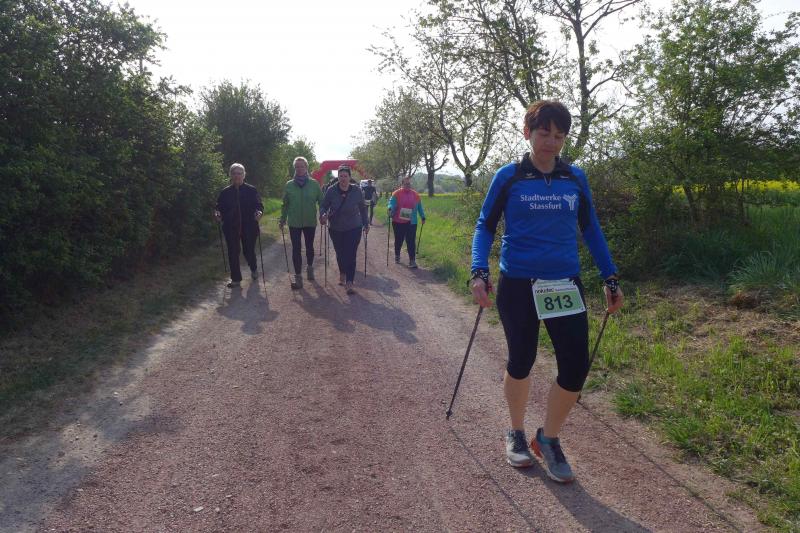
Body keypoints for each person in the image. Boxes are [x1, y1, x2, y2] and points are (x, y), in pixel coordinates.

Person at [469, 100, 624, 483]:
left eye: (559, 135)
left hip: (564, 282)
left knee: (575, 366)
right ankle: (516, 432)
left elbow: (591, 229)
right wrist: (479, 271)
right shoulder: (509, 177)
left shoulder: (575, 178)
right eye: (544, 133)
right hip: (519, 283)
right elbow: (485, 225)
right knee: (521, 360)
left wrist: (610, 278)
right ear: (527, 133)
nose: (551, 142)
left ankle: (548, 439)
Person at [320, 165, 369, 294]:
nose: (343, 178)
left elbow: (363, 208)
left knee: (351, 254)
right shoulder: (331, 190)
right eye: (340, 176)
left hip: (354, 227)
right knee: (340, 253)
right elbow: (324, 205)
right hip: (336, 227)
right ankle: (342, 271)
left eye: (345, 176)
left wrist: (366, 223)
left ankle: (350, 281)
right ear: (338, 177)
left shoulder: (357, 191)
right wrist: (323, 214)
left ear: (349, 177)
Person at [215, 163, 264, 288]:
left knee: (248, 251)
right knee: (233, 251)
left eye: (239, 173)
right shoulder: (225, 192)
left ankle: (253, 268)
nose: (237, 176)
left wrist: (259, 212)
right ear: (230, 175)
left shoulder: (251, 190)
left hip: (249, 227)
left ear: (244, 175)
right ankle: (236, 279)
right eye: (234, 173)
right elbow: (219, 207)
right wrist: (218, 213)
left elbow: (259, 205)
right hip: (231, 227)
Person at [280, 156, 322, 290]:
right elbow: (285, 204)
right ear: (294, 168)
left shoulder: (314, 184)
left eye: (302, 166)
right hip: (294, 222)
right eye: (297, 167)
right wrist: (282, 218)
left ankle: (309, 268)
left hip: (310, 221)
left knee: (309, 247)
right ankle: (298, 277)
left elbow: (321, 201)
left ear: (306, 167)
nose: (299, 169)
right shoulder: (289, 185)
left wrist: (323, 214)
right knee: (296, 248)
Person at [387, 175, 426, 268]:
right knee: (399, 240)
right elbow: (391, 203)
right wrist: (390, 208)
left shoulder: (415, 195)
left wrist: (423, 216)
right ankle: (397, 255)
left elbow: (419, 207)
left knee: (411, 241)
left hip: (412, 222)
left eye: (409, 184)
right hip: (398, 222)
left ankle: (412, 261)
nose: (408, 185)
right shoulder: (396, 193)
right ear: (402, 184)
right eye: (406, 184)